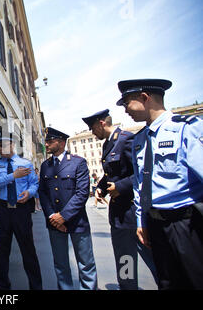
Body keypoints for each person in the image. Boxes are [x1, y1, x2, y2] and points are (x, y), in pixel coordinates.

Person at [117, 78, 203, 289]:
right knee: (166, 282)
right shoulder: (139, 140)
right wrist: (141, 222)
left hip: (186, 224)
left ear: (144, 98)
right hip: (154, 223)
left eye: (127, 103)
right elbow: (139, 186)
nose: (126, 110)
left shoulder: (186, 128)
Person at [82, 109, 157, 290]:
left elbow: (143, 172)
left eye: (93, 128)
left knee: (154, 260)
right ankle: (128, 287)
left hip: (135, 213)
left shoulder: (126, 139)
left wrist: (121, 187)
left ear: (101, 123)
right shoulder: (108, 144)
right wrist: (101, 188)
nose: (92, 133)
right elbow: (111, 174)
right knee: (125, 258)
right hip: (119, 216)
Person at [39, 127, 98, 290]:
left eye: (50, 141)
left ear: (61, 142)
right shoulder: (45, 166)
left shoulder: (78, 162)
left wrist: (63, 216)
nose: (47, 144)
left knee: (86, 265)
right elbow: (43, 193)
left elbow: (82, 193)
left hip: (77, 222)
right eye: (46, 141)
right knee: (61, 265)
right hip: (54, 223)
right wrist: (52, 216)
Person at [0, 133, 42, 290]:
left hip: (21, 210)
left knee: (28, 250)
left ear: (12, 145)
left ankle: (36, 286)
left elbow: (34, 184)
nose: (0, 149)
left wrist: (30, 193)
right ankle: (2, 287)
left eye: (3, 145)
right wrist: (13, 175)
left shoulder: (25, 163)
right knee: (3, 251)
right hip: (2, 210)